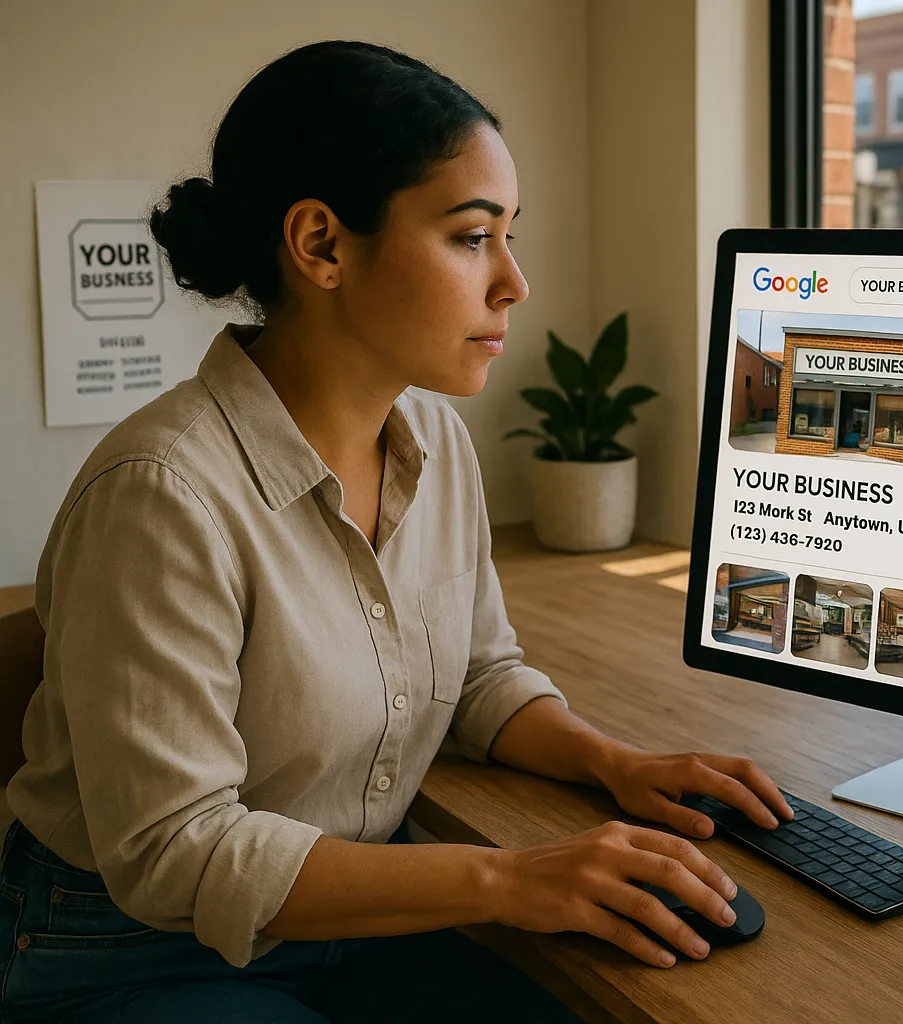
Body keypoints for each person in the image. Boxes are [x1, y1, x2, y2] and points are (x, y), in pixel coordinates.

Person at [1, 41, 793, 1022]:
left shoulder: (437, 443)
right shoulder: (160, 497)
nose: (514, 282)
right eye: (473, 237)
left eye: (510, 237)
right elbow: (179, 852)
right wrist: (510, 878)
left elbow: (478, 677)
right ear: (322, 245)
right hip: (133, 954)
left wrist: (613, 762)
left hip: (348, 918)